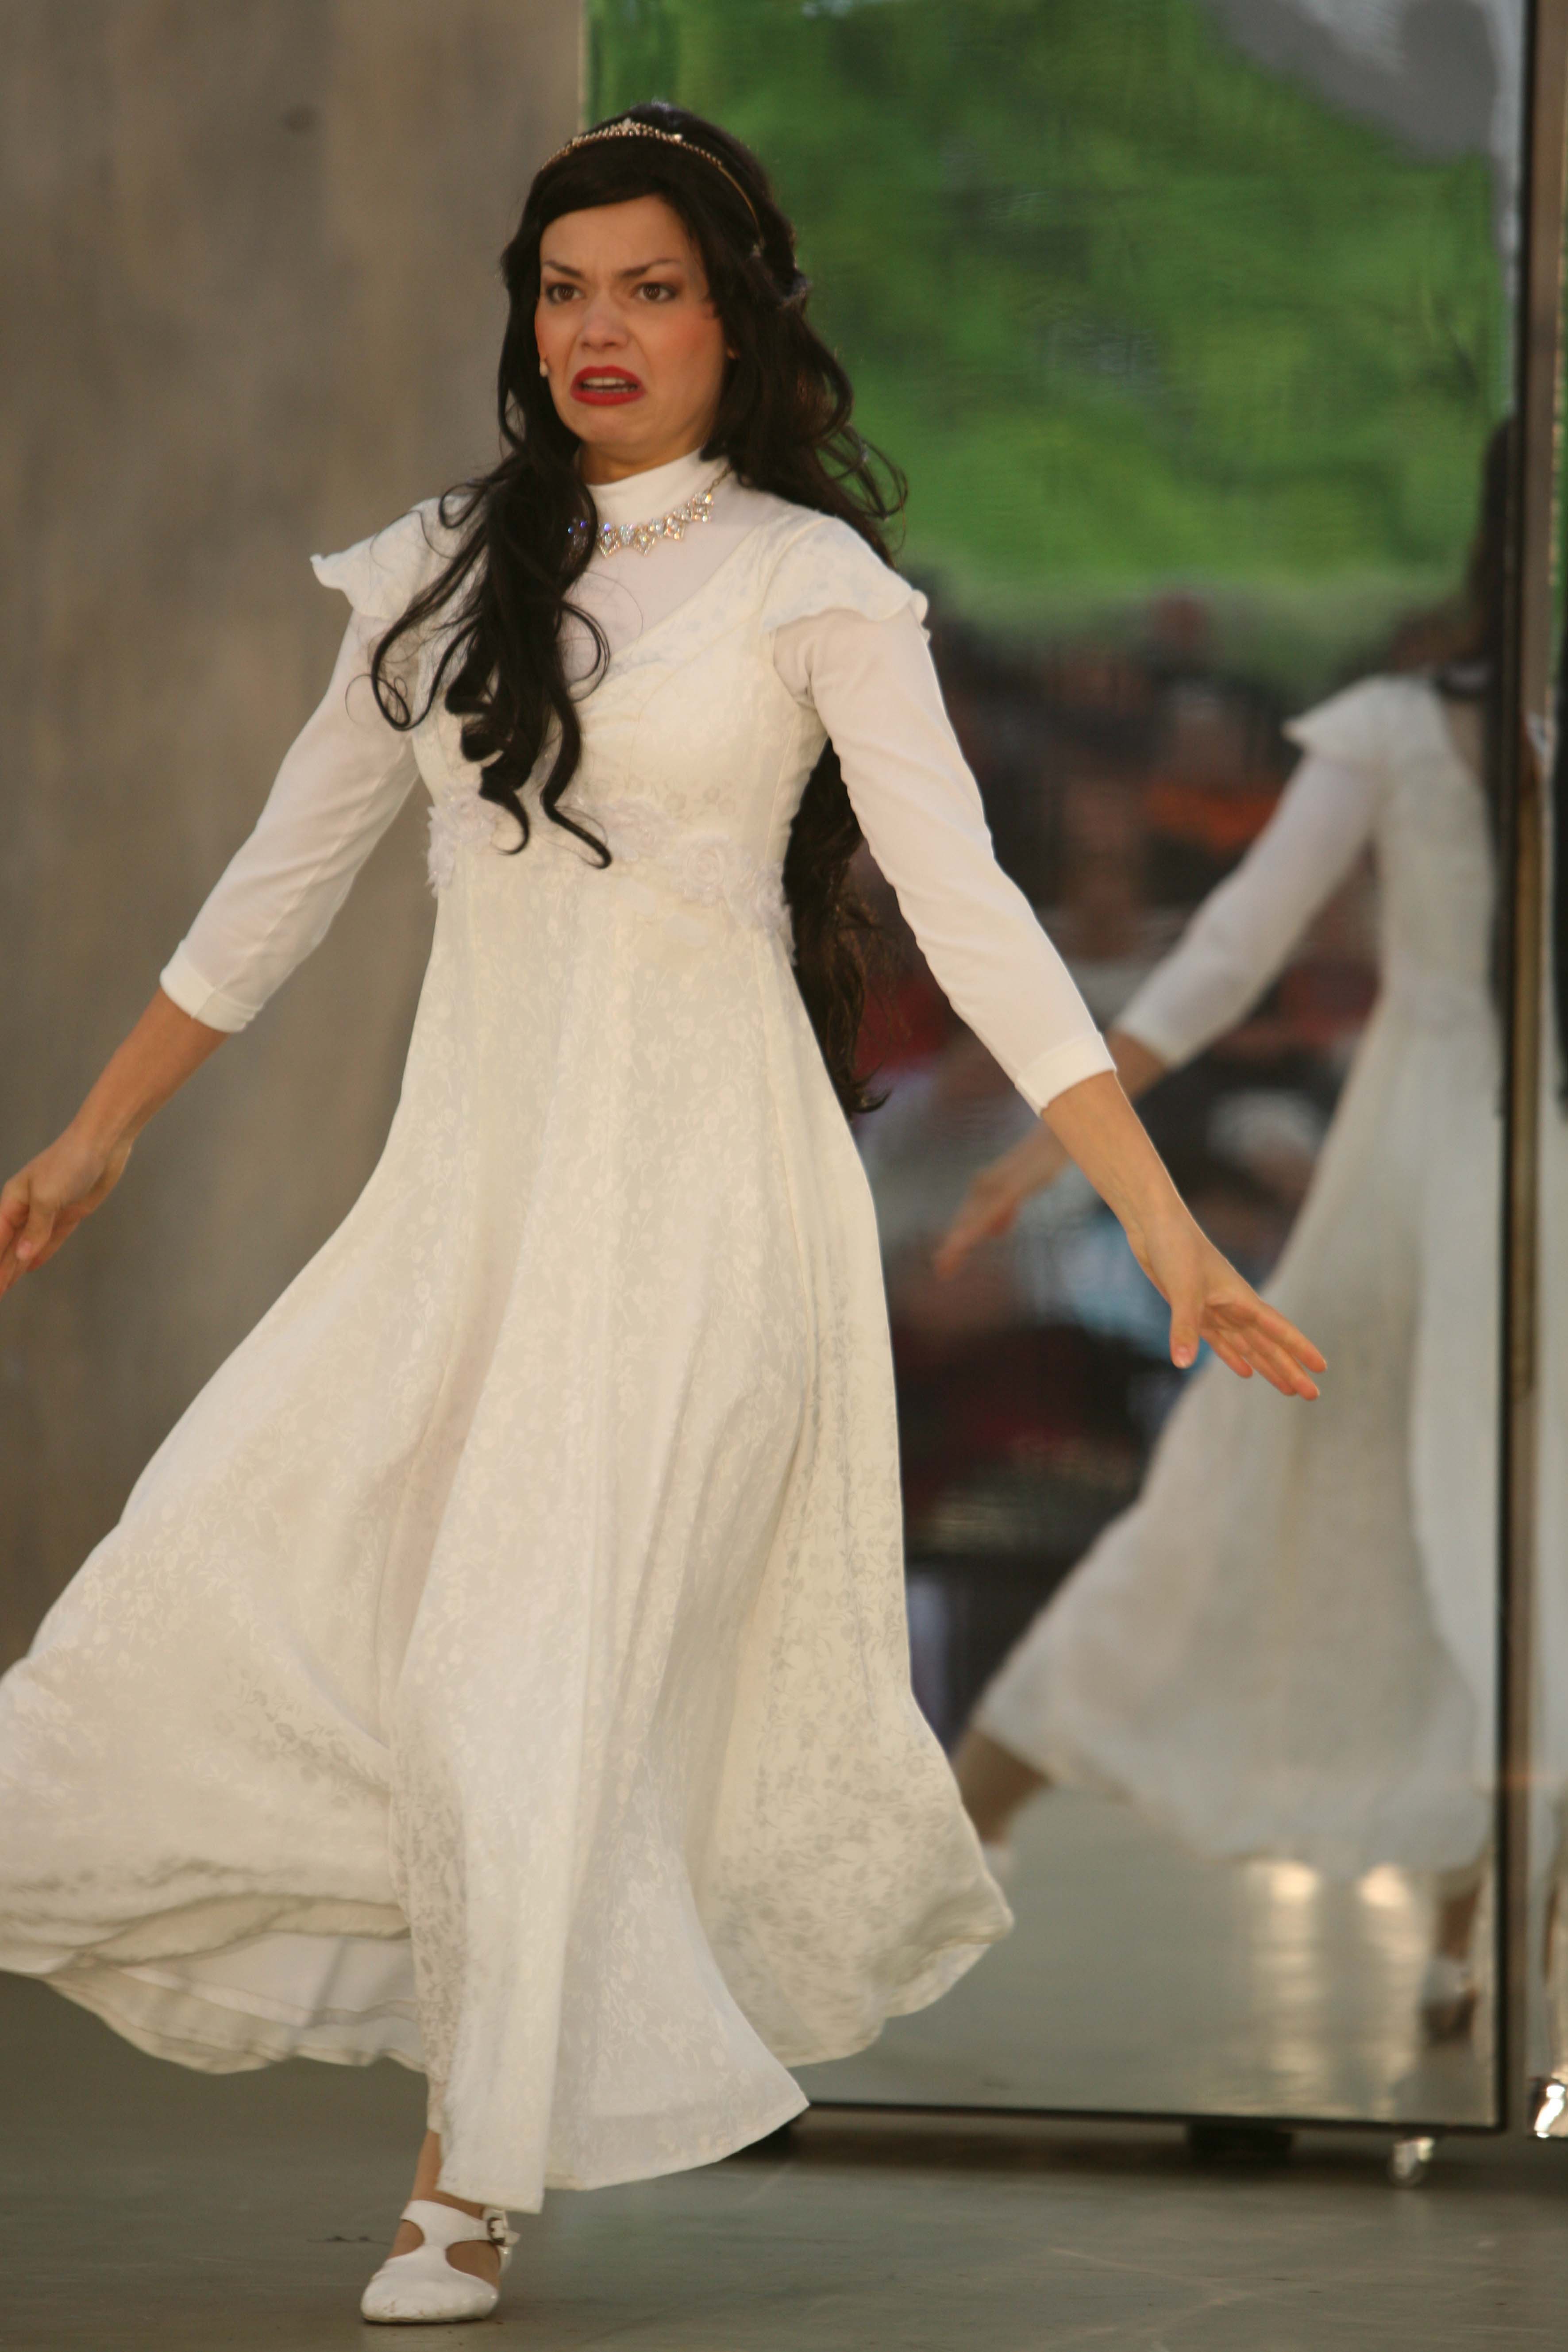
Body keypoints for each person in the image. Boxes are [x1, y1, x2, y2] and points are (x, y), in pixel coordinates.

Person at [0, 106, 1321, 2325]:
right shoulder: (436, 569)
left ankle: (464, 2180)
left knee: (527, 1661)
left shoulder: (814, 588)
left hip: (709, 1217)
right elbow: (277, 879)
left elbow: (979, 919)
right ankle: (461, 2094)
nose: (597, 329)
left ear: (734, 320)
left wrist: (1167, 1228)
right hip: (468, 1203)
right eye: (562, 289)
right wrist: (97, 1130)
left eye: (650, 288)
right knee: (248, 1567)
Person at [940, 427, 1512, 2047]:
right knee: (1265, 1498)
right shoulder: (1399, 732)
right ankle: (946, 1841)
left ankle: (1471, 1940)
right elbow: (1237, 940)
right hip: (1420, 1170)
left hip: (1496, 1155)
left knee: (1508, 1531)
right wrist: (1067, 1131)